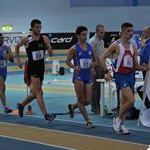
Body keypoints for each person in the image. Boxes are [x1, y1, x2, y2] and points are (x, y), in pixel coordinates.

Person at [101, 22, 149, 134]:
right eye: (128, 31)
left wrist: (144, 68)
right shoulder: (115, 45)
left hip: (130, 75)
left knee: (124, 102)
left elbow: (135, 65)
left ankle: (121, 125)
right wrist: (106, 72)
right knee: (132, 101)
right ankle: (117, 119)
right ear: (122, 32)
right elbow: (102, 57)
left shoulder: (133, 45)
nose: (131, 33)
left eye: (132, 31)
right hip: (120, 76)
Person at [15, 19, 56, 123]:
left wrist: (49, 47)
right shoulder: (27, 39)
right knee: (39, 92)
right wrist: (18, 60)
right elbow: (16, 47)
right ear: (32, 28)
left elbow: (51, 54)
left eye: (40, 27)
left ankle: (21, 105)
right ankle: (46, 115)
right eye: (37, 27)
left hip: (41, 68)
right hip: (32, 68)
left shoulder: (45, 38)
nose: (39, 29)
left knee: (34, 93)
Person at [66, 26, 98, 128]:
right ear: (78, 35)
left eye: (86, 34)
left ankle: (72, 107)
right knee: (80, 99)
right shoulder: (74, 48)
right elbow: (67, 61)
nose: (85, 37)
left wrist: (93, 66)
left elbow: (96, 61)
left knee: (87, 101)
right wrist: (75, 67)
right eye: (83, 35)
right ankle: (88, 120)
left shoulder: (90, 47)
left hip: (87, 76)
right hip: (78, 77)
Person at [89, 24, 105, 114]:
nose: (103, 34)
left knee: (99, 87)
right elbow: (90, 56)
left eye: (104, 32)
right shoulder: (92, 41)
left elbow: (101, 55)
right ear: (97, 32)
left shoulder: (101, 41)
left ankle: (98, 105)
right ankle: (94, 107)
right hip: (95, 67)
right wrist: (92, 69)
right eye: (101, 32)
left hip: (101, 66)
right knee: (94, 87)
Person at [0, 33, 14, 113]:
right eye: (0, 38)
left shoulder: (7, 48)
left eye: (2, 38)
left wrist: (8, 56)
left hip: (4, 71)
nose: (1, 39)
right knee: (2, 87)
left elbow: (12, 60)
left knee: (1, 89)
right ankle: (6, 107)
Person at [137, 26, 150, 108]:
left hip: (147, 69)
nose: (143, 33)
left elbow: (146, 56)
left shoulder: (148, 44)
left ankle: (149, 106)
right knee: (144, 88)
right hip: (144, 68)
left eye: (144, 32)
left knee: (145, 88)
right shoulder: (145, 43)